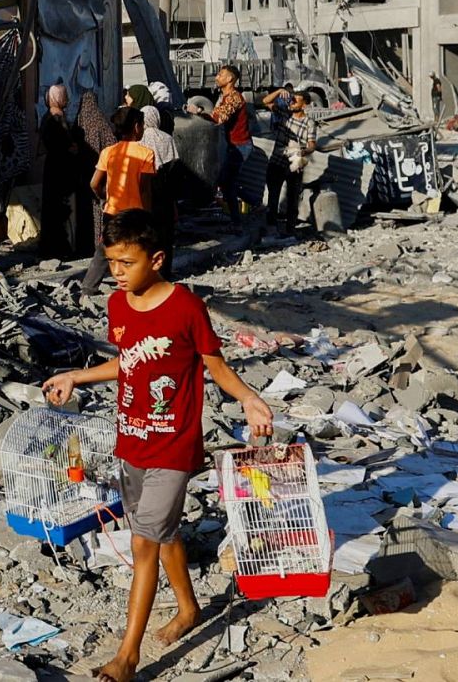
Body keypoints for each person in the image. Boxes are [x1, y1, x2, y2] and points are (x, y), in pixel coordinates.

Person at [43, 209, 275, 682]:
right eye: (111, 262)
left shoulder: (186, 306)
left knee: (144, 542)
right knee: (162, 532)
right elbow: (128, 365)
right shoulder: (118, 307)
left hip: (173, 446)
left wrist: (250, 399)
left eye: (126, 262)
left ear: (157, 258)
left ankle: (126, 659)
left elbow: (217, 366)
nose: (117, 271)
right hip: (131, 441)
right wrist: (74, 375)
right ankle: (188, 607)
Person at [81, 108, 156, 297]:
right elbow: (145, 189)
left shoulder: (108, 152)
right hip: (135, 213)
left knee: (104, 249)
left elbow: (94, 183)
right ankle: (139, 286)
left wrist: (105, 197)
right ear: (137, 127)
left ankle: (88, 288)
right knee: (138, 250)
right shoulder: (146, 153)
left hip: (112, 210)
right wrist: (148, 214)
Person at [188, 66, 252, 217]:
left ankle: (243, 215)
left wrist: (197, 111)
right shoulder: (224, 97)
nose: (217, 77)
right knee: (225, 183)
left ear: (230, 79)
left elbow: (219, 118)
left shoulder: (234, 97)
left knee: (228, 184)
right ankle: (247, 209)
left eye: (220, 75)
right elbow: (214, 116)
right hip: (234, 145)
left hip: (239, 146)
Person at [260, 87, 318, 236]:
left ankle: (290, 230)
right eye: (292, 100)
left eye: (296, 101)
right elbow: (265, 101)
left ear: (304, 105)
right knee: (273, 198)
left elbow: (312, 144)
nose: (292, 103)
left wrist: (303, 151)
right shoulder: (284, 113)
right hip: (277, 162)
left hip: (294, 164)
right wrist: (279, 91)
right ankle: (272, 229)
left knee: (293, 199)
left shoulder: (309, 123)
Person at [74, 92, 117, 270]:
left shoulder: (79, 123)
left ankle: (85, 246)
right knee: (99, 212)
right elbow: (112, 144)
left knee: (85, 213)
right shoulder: (101, 123)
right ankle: (100, 248)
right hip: (100, 174)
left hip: (83, 177)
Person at [39, 85, 77, 257]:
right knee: (62, 208)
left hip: (52, 166)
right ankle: (63, 248)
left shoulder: (47, 117)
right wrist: (71, 147)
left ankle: (51, 247)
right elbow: (61, 144)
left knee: (51, 207)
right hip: (61, 167)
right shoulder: (57, 118)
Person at [140, 105, 180, 271]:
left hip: (144, 189)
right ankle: (165, 270)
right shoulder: (167, 138)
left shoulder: (138, 140)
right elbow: (174, 167)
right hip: (164, 191)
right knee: (165, 233)